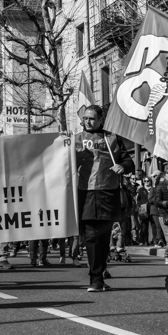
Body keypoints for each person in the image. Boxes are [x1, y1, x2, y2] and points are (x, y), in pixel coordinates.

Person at [73, 104, 134, 292]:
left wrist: (123, 166)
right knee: (91, 235)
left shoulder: (113, 138)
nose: (87, 122)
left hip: (108, 192)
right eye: (85, 118)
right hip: (86, 192)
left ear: (101, 120)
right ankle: (96, 278)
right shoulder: (76, 140)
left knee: (104, 236)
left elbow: (129, 161)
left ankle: (99, 273)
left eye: (92, 118)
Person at [150, 171, 168, 265]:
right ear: (165, 175)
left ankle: (167, 255)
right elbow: (157, 202)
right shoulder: (160, 187)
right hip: (164, 215)